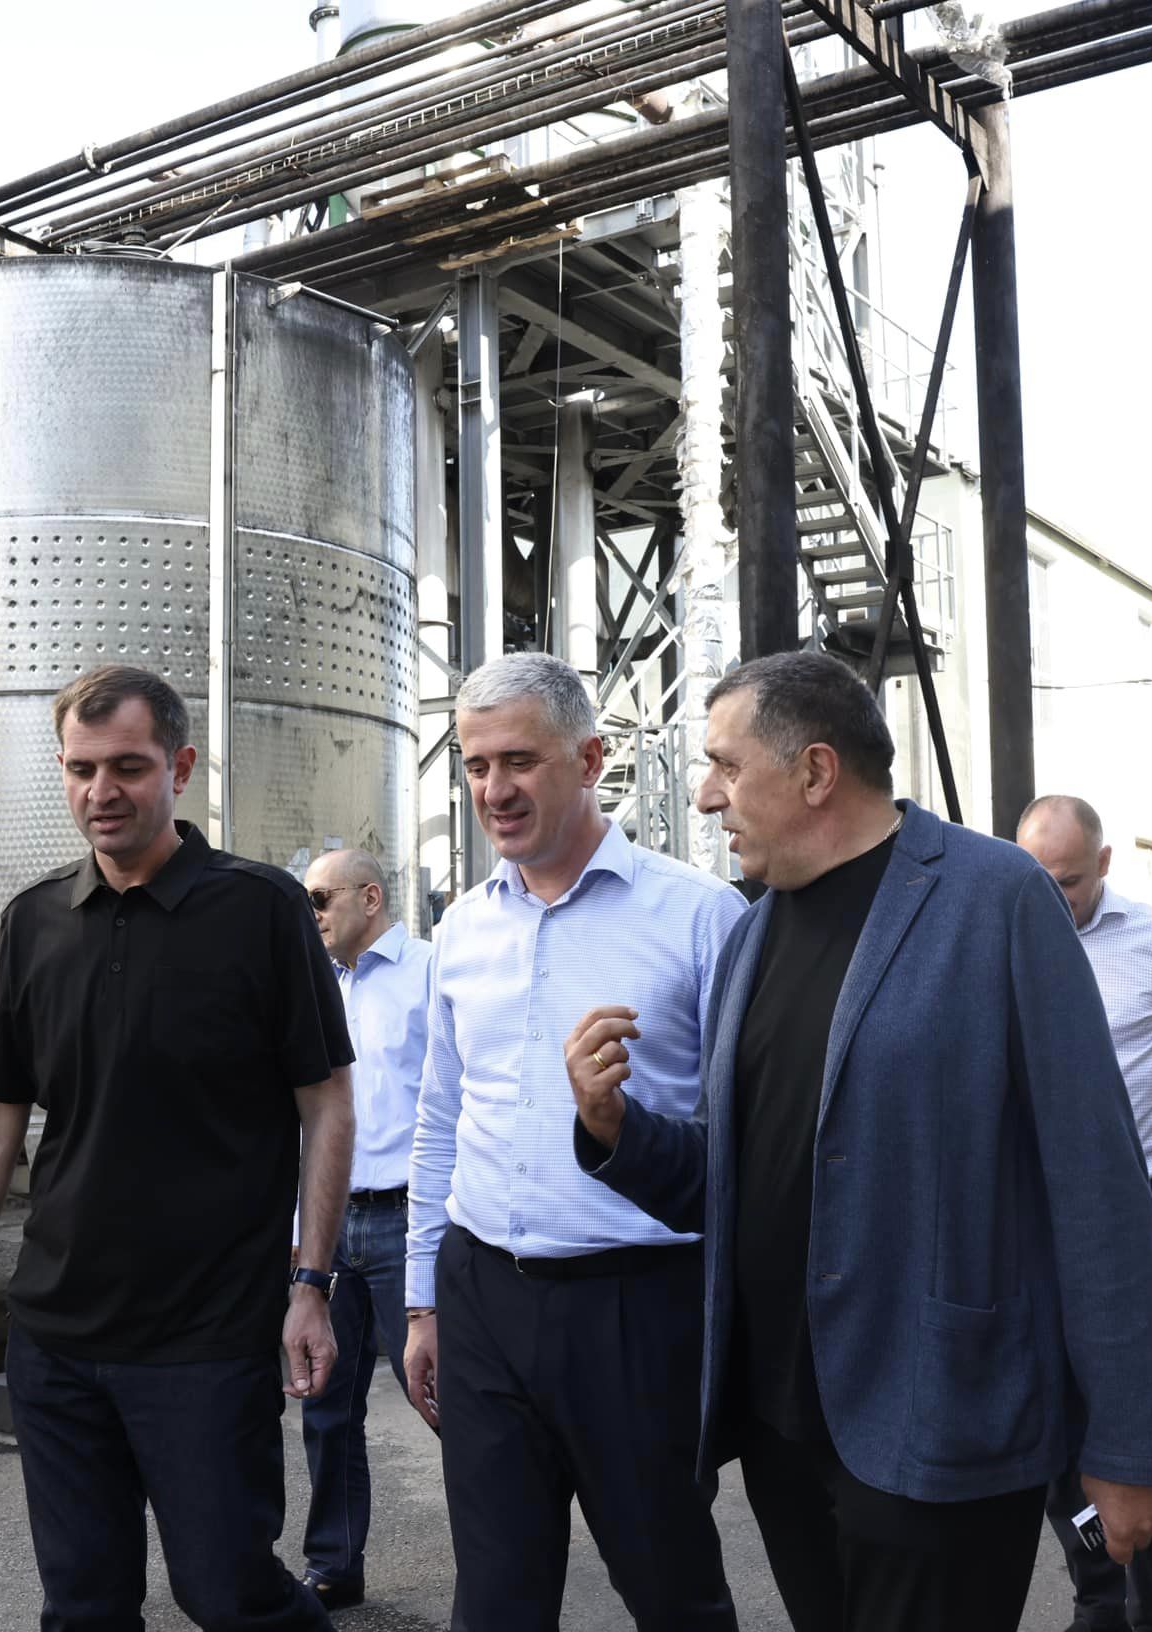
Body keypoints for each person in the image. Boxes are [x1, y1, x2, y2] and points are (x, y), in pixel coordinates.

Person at [570, 651, 1152, 1632]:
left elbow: (1097, 1187)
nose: (706, 794)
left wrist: (1130, 1444)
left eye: (725, 765)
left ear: (815, 771)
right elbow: (746, 1182)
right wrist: (615, 1131)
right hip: (782, 1428)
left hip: (940, 1418)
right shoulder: (750, 935)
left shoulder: (995, 898)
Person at [0, 664, 356, 1632]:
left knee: (229, 1596)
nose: (100, 792)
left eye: (126, 767)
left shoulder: (261, 911)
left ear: (180, 768)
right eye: (80, 769)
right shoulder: (34, 922)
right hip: (58, 1343)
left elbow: (326, 1103)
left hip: (208, 1339)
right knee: (82, 1607)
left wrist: (310, 1283)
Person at [403, 651, 743, 1631]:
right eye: (475, 766)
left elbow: (743, 1142)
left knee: (672, 1592)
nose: (493, 790)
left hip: (635, 1310)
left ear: (590, 760)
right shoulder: (461, 930)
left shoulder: (700, 918)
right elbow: (439, 1119)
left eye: (519, 761)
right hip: (481, 1296)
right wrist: (423, 1300)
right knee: (495, 1601)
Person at [1016, 794, 1152, 1632]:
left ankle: (1149, 1602)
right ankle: (1099, 1592)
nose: (1051, 899)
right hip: (1029, 1209)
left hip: (1140, 1201)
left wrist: (1144, 1156)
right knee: (1041, 1410)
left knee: (1122, 1409)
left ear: (1104, 864)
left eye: (1067, 882)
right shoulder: (998, 937)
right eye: (1035, 879)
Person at [294, 847, 432, 1611]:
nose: (311, 915)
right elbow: (305, 1121)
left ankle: (503, 1554)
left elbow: (459, 1104)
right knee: (326, 1402)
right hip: (331, 1225)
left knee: (440, 1394)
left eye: (320, 899)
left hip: (408, 1220)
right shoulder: (317, 987)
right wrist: (300, 1233)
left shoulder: (430, 975)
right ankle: (334, 1564)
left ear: (370, 898)